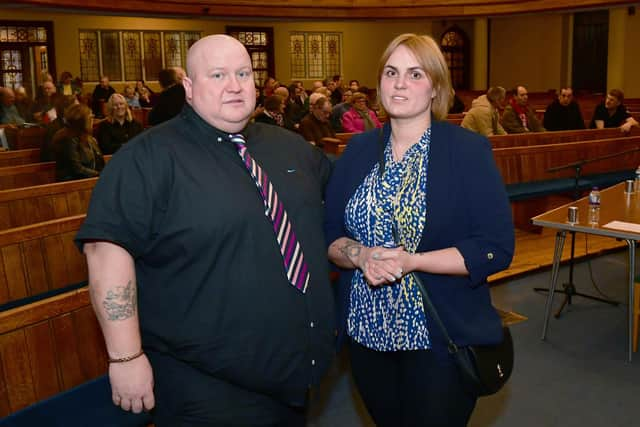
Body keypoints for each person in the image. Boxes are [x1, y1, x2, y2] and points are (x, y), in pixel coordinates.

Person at [75, 34, 335, 426]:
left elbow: (343, 203)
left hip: (291, 376)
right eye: (218, 75)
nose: (234, 84)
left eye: (243, 73)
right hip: (204, 382)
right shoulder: (147, 158)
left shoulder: (289, 146)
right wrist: (125, 357)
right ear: (189, 88)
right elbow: (106, 251)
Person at [324, 33, 514, 427]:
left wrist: (413, 261)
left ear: (435, 88)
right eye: (391, 72)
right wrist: (361, 256)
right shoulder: (357, 150)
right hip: (366, 333)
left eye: (415, 74)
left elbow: (495, 246)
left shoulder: (466, 151)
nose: (399, 83)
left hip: (438, 337)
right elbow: (330, 236)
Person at [54, 103, 104, 181]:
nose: (93, 120)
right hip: (72, 184)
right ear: (81, 121)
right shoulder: (68, 139)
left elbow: (99, 161)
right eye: (90, 117)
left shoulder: (88, 137)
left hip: (91, 180)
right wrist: (99, 175)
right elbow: (77, 169)